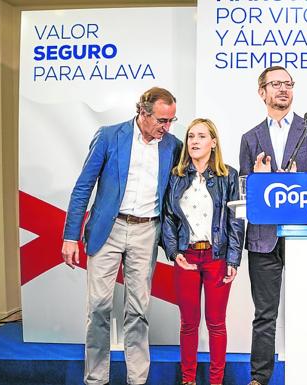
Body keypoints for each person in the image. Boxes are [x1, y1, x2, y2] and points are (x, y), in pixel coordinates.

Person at [61, 87, 182, 385]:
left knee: (139, 311)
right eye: (162, 121)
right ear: (143, 112)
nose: (166, 128)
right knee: (99, 308)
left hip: (147, 232)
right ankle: (95, 379)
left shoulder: (173, 146)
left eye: (171, 121)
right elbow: (83, 188)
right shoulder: (109, 136)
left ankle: (137, 380)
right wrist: (70, 236)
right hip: (108, 230)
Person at [239, 65, 307, 385]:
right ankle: (259, 379)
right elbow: (243, 191)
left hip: (304, 236)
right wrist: (259, 182)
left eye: (288, 84)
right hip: (263, 238)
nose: (283, 89)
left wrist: (298, 182)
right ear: (261, 92)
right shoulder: (250, 138)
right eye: (275, 84)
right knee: (264, 315)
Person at [162, 118, 244, 385]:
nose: (194, 141)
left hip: (216, 257)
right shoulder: (176, 176)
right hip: (186, 257)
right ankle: (188, 380)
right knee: (188, 323)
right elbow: (168, 219)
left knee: (216, 324)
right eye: (190, 137)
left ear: (213, 142)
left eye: (201, 136)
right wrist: (174, 253)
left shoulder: (228, 175)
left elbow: (235, 220)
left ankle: (216, 380)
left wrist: (233, 258)